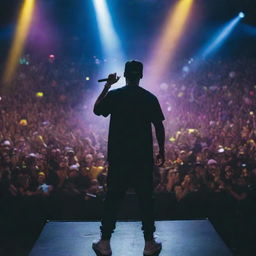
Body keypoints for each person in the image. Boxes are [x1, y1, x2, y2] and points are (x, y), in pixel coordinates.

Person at [92, 60, 165, 256]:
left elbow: (97, 109)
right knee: (146, 200)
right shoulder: (149, 98)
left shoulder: (115, 95)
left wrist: (108, 85)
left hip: (119, 158)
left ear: (124, 75)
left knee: (113, 199)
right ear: (140, 76)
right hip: (142, 159)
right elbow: (159, 126)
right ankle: (149, 243)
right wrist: (162, 151)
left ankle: (105, 242)